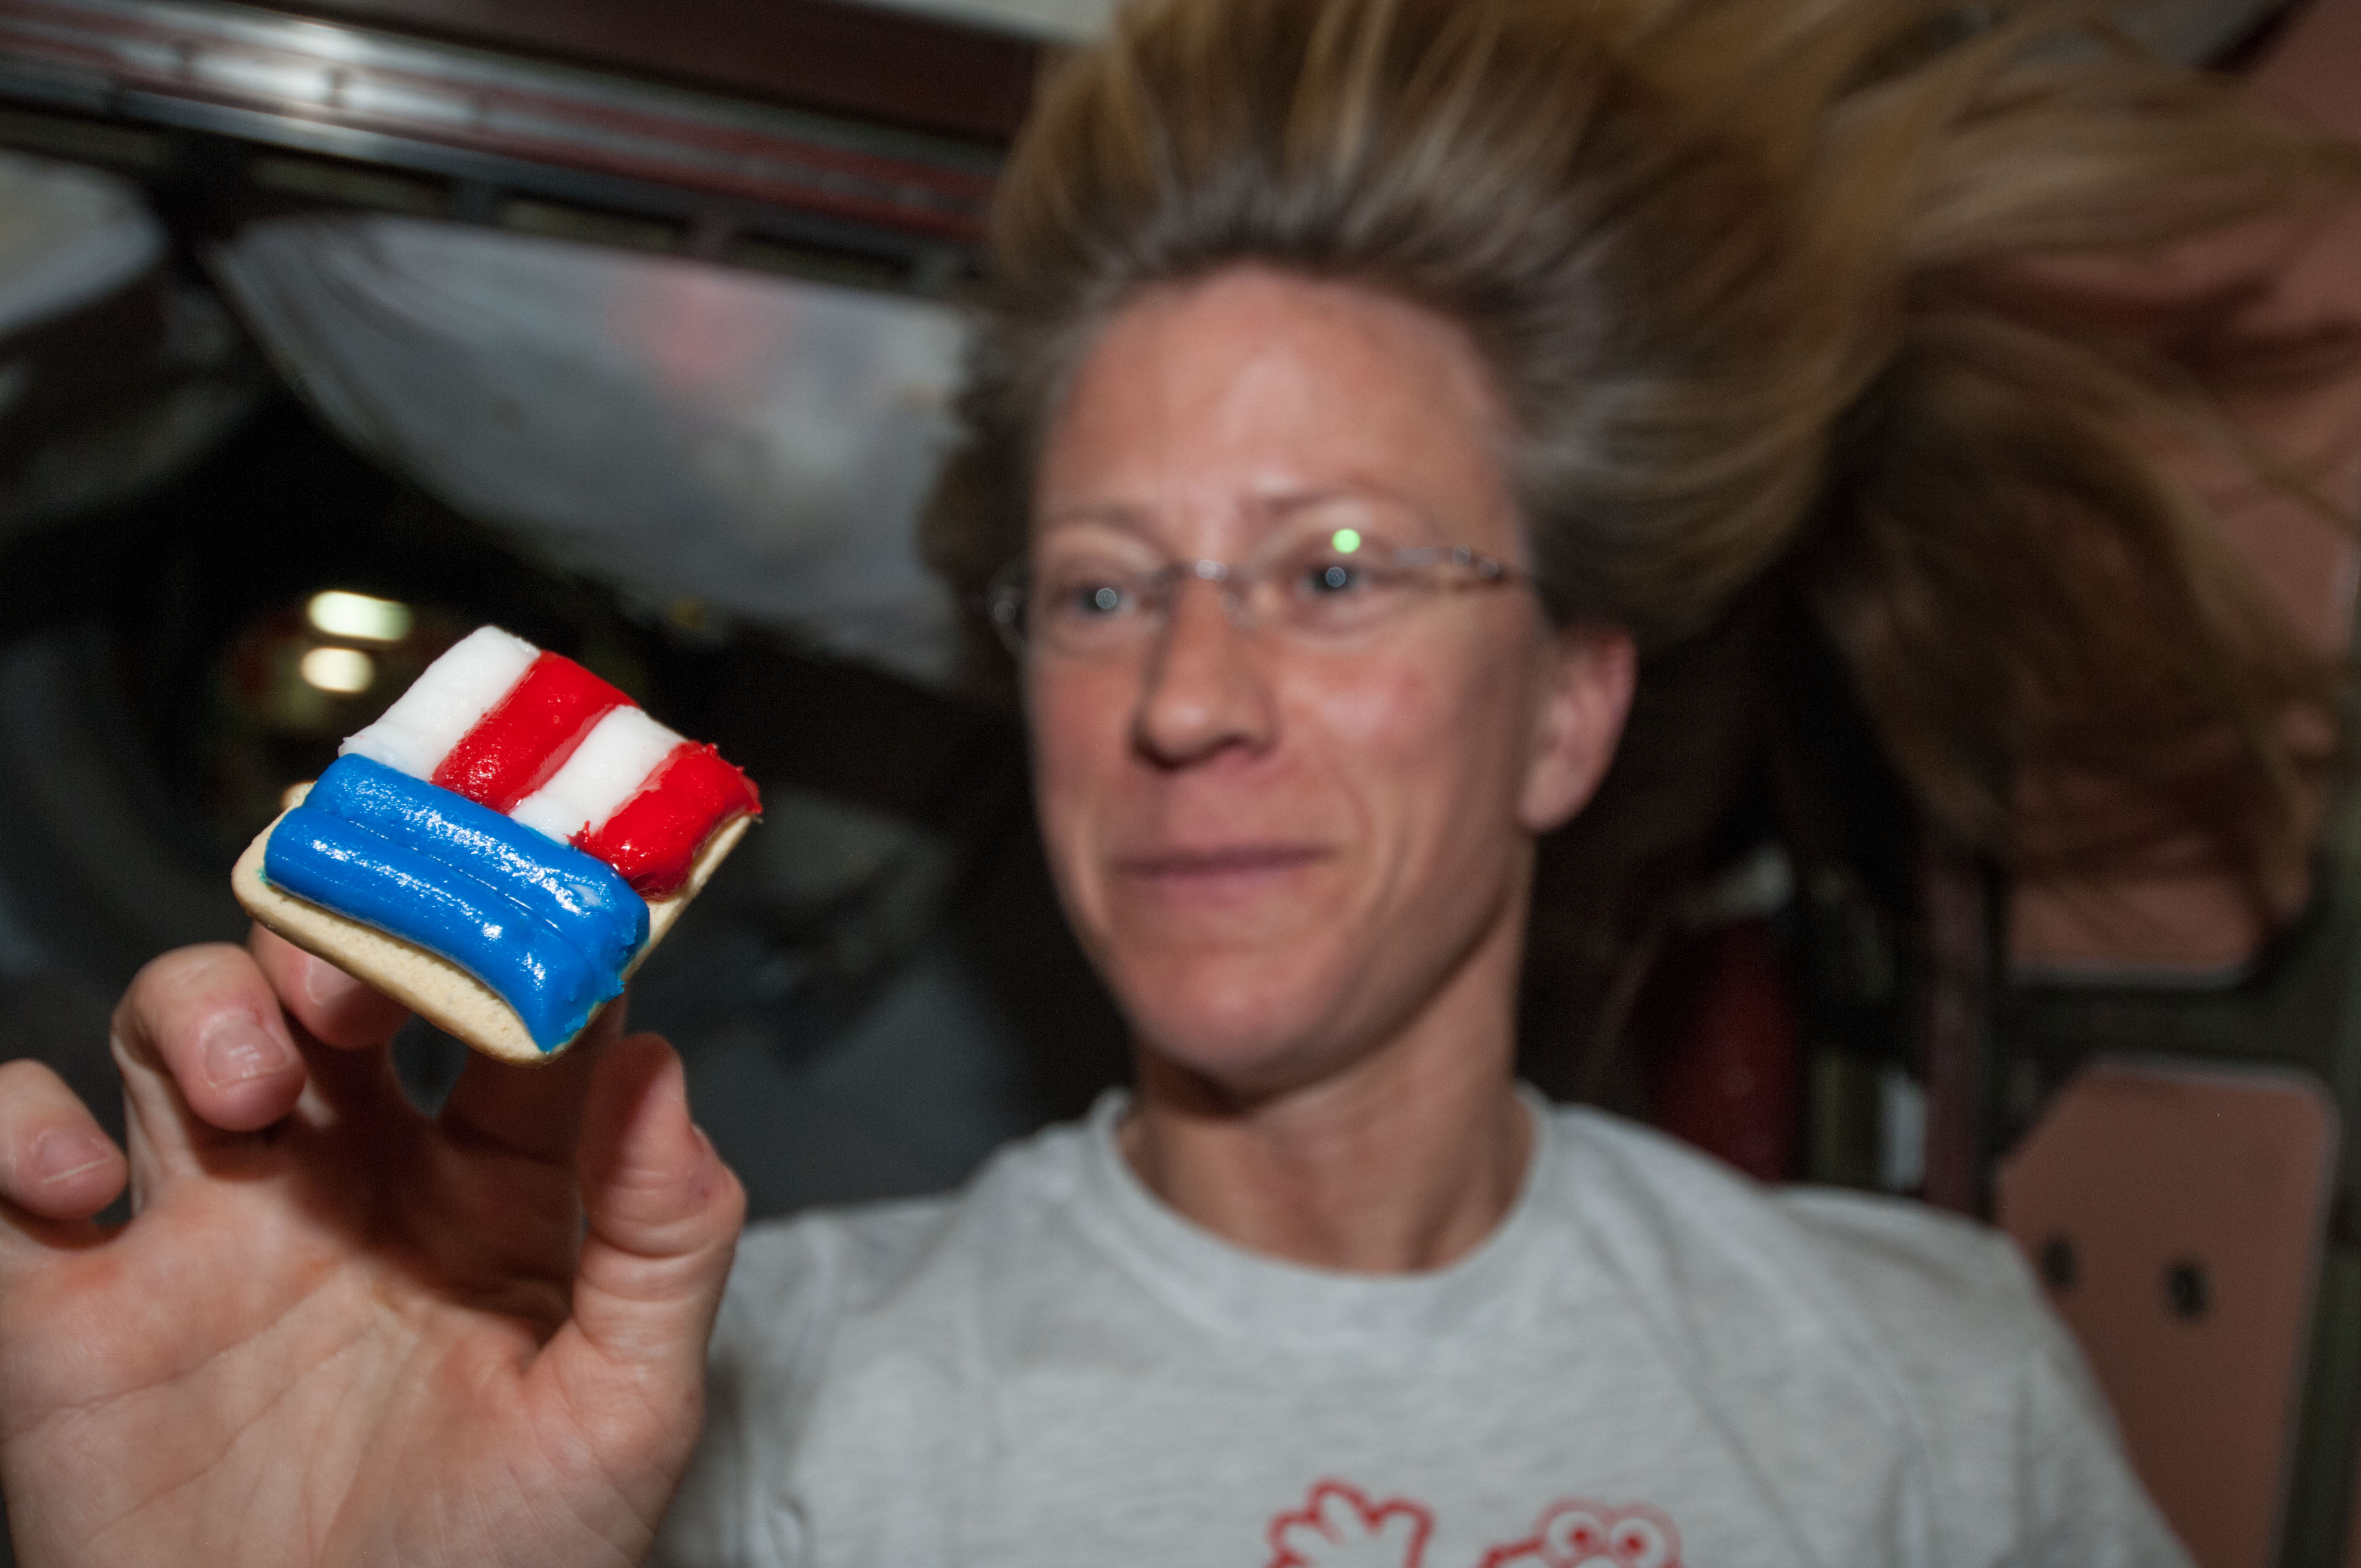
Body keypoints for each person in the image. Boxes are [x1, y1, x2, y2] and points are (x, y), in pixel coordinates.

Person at [1, 0, 2352, 1562]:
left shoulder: (1920, 1383)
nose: (1184, 697)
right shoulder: (717, 1406)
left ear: (1568, 706)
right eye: (1103, 591)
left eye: (1330, 570)